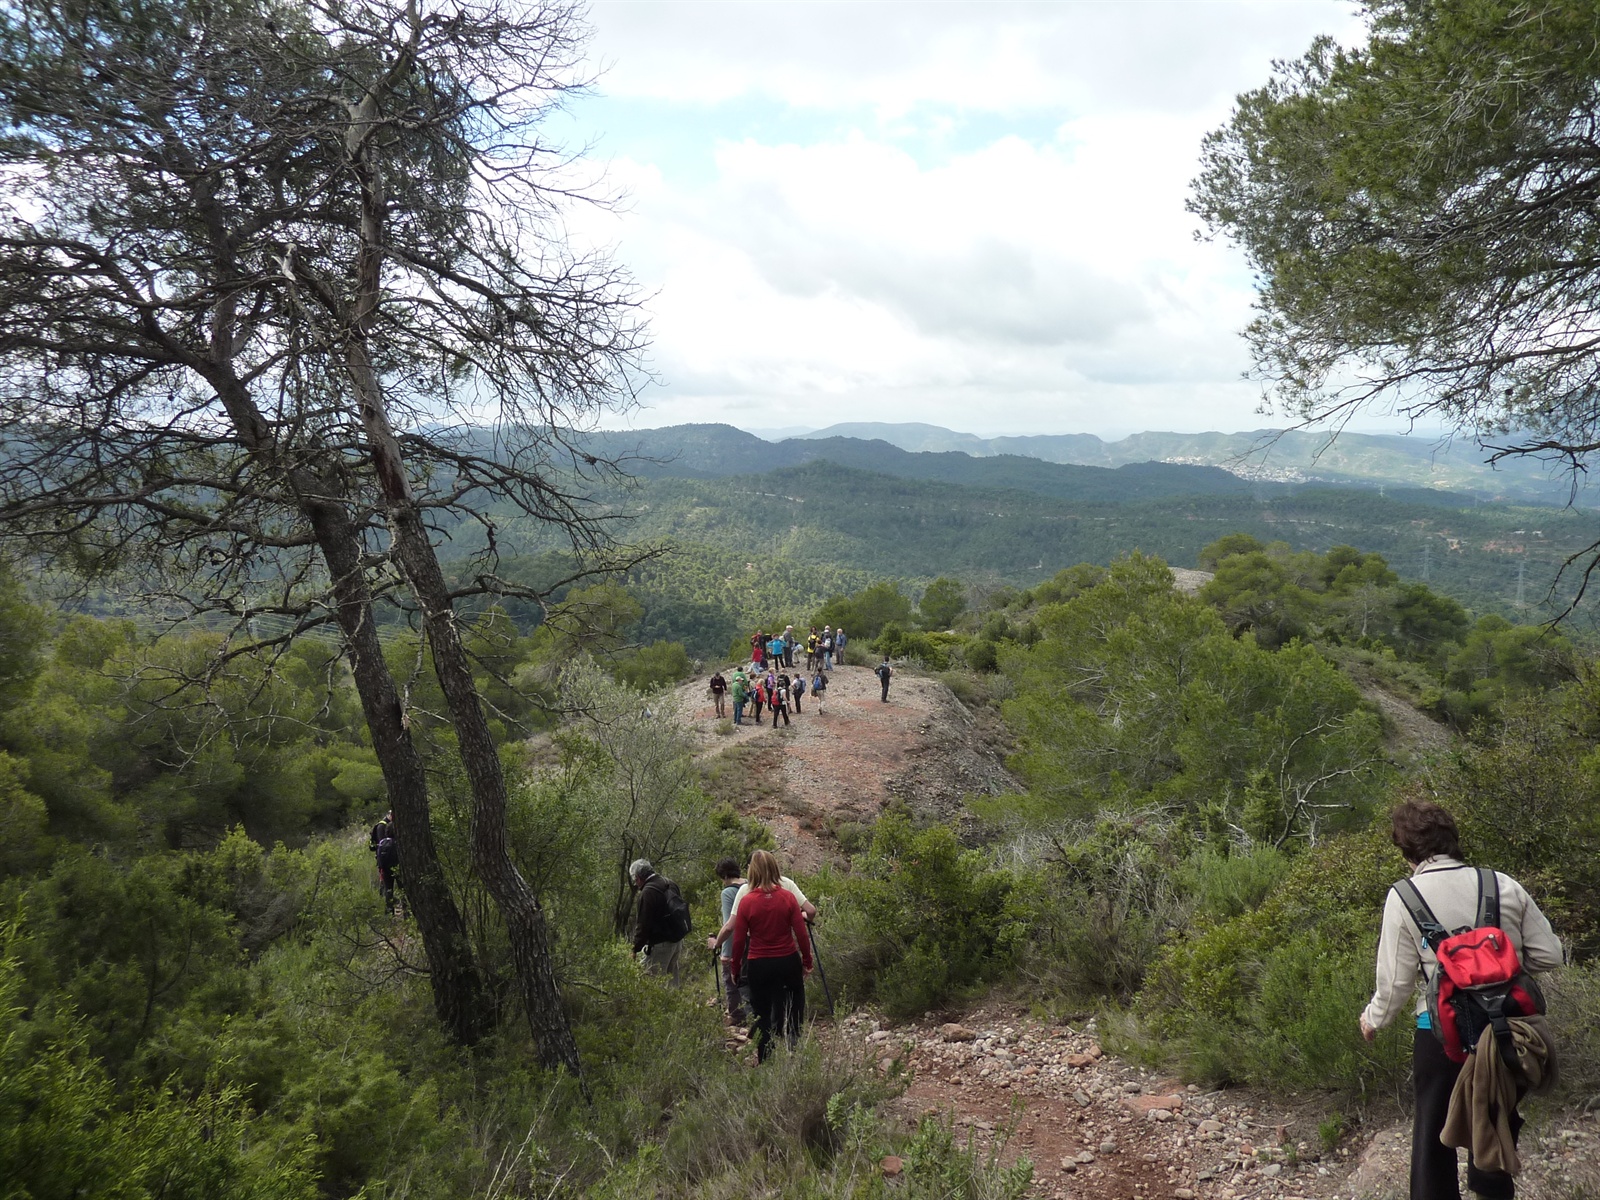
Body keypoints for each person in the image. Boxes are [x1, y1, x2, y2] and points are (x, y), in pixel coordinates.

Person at [1359, 800, 1563, 1200]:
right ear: (1453, 840)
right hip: (1508, 1035)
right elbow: (1550, 954)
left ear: (1407, 850)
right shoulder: (1502, 884)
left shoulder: (1404, 896)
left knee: (1433, 1137)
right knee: (1494, 1127)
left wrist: (1373, 1019)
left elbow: (1396, 983)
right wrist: (1498, 966)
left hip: (1440, 1037)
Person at [730, 850, 812, 1062]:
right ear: (775, 868)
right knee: (794, 1007)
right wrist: (807, 961)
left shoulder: (747, 901)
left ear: (752, 871)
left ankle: (766, 1060)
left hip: (758, 964)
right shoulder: (788, 897)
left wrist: (735, 968)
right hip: (787, 960)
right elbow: (801, 934)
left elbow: (738, 941)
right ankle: (794, 1053)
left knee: (762, 1015)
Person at [706, 858, 750, 1026]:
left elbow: (729, 925)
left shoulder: (728, 893)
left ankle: (738, 1019)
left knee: (731, 983)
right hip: (753, 944)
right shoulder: (749, 885)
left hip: (734, 947)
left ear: (724, 876)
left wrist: (720, 946)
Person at [630, 859, 686, 986]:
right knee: (672, 984)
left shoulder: (648, 892)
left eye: (635, 880)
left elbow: (643, 925)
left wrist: (635, 948)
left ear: (638, 877)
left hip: (660, 945)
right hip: (676, 941)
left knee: (652, 985)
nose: (636, 884)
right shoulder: (670, 883)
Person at [370, 811, 400, 915]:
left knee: (388, 889)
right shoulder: (382, 826)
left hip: (384, 866)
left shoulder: (381, 830)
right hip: (395, 866)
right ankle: (406, 913)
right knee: (399, 888)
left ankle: (389, 913)